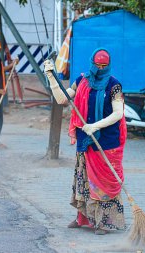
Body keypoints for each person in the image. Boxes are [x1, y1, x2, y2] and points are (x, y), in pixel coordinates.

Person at [43, 48, 127, 235]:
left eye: (104, 66)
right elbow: (62, 99)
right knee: (85, 179)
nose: (100, 68)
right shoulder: (82, 80)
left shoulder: (115, 86)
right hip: (85, 140)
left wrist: (95, 126)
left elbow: (118, 113)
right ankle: (83, 218)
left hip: (106, 142)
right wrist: (51, 77)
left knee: (103, 182)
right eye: (97, 65)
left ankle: (103, 223)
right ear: (92, 63)